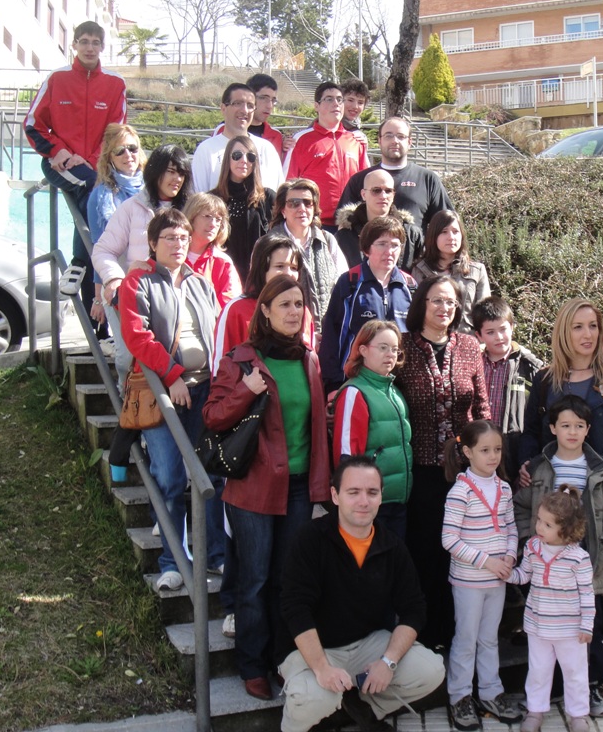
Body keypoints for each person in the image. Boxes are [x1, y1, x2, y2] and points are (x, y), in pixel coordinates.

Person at [203, 274, 331, 702]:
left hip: (298, 487)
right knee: (255, 580)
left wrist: (320, 488)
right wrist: (244, 390)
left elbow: (316, 431)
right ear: (266, 311)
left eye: (299, 304)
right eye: (285, 305)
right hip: (254, 487)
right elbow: (213, 416)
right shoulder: (242, 359)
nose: (295, 312)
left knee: (286, 580)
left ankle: (283, 658)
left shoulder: (309, 360)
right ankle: (252, 664)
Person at [519, 297, 603, 708]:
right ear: (564, 332)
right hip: (552, 510)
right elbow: (531, 436)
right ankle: (553, 676)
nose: (587, 335)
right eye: (578, 327)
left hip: (598, 502)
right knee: (552, 587)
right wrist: (526, 464)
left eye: (593, 326)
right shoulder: (546, 380)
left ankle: (598, 670)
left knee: (600, 585)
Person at [278, 457, 445, 732]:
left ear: (381, 497)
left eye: (372, 492)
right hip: (313, 647)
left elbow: (414, 608)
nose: (363, 501)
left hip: (367, 644)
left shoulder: (391, 545)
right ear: (335, 495)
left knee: (431, 670)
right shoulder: (310, 539)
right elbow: (295, 608)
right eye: (353, 492)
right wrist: (321, 668)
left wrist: (387, 663)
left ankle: (363, 706)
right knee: (312, 697)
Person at [117, 208, 224, 592]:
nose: (178, 245)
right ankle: (172, 560)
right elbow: (138, 337)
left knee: (211, 473)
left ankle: (216, 555)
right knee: (169, 476)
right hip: (163, 392)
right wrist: (173, 376)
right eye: (169, 239)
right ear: (152, 243)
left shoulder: (200, 281)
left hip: (205, 389)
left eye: (182, 238)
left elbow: (214, 330)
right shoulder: (137, 281)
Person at [514, 396, 603, 719]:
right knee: (546, 634)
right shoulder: (539, 467)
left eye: (579, 426)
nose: (572, 432)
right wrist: (528, 540)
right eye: (565, 425)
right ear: (552, 428)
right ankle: (544, 696)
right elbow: (521, 505)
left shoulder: (599, 468)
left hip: (585, 562)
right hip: (545, 568)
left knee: (586, 631)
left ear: (588, 429)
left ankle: (589, 690)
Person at [396, 274, 490, 648]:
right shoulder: (402, 347)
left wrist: (487, 460)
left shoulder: (469, 345)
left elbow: (481, 407)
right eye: (437, 300)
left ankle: (459, 637)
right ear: (422, 303)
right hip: (418, 472)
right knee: (425, 553)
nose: (444, 308)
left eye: (451, 302)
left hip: (463, 474)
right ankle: (425, 636)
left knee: (462, 554)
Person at [25, 21, 127, 322]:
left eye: (95, 42)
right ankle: (82, 262)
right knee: (94, 196)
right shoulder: (57, 79)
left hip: (95, 167)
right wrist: (59, 152)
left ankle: (81, 265)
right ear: (74, 44)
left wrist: (93, 160)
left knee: (94, 212)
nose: (89, 48)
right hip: (61, 163)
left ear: (102, 47)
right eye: (84, 41)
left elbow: (116, 132)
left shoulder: (114, 84)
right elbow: (33, 124)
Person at [441, 420, 522, 730]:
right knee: (466, 640)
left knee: (489, 640)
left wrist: (510, 556)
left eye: (497, 450)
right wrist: (488, 562)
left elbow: (511, 528)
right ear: (467, 452)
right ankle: (459, 697)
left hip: (497, 581)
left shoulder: (503, 487)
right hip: (469, 582)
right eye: (485, 450)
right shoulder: (460, 491)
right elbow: (449, 540)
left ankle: (490, 692)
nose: (493, 456)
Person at [92, 144, 194, 379]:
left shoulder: (191, 207)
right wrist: (116, 279)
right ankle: (125, 407)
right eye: (170, 170)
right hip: (134, 296)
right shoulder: (131, 207)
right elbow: (103, 250)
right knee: (129, 356)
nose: (176, 178)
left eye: (181, 172)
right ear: (155, 171)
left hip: (178, 295)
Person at [509, 488, 595, 732]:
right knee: (538, 671)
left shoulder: (578, 558)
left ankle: (578, 715)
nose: (539, 527)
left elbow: (587, 594)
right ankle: (535, 712)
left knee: (575, 673)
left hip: (570, 630)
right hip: (538, 627)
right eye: (538, 520)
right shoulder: (533, 548)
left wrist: (586, 625)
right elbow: (524, 575)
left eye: (547, 524)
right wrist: (509, 574)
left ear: (566, 529)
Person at [331, 321, 412, 539]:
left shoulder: (394, 391)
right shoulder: (354, 392)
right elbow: (346, 455)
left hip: (397, 500)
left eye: (395, 349)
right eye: (383, 347)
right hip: (370, 506)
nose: (390, 355)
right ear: (363, 350)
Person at [319, 216, 416, 394]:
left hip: (400, 385)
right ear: (366, 249)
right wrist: (332, 385)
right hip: (356, 382)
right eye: (382, 244)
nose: (389, 251)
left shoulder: (409, 285)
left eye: (395, 245)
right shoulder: (350, 282)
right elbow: (332, 337)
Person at [212, 233, 313, 370]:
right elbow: (221, 368)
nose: (288, 273)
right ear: (261, 269)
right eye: (279, 266)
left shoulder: (302, 311)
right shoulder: (236, 310)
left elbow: (310, 364)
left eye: (294, 268)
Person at [337, 116, 454, 234]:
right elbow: (344, 225)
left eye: (401, 136)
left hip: (415, 251)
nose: (395, 141)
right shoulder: (360, 180)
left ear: (409, 142)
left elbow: (446, 223)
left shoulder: (427, 179)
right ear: (379, 140)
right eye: (388, 135)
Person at [472, 296, 544, 484]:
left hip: (514, 453)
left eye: (503, 329)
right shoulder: (472, 363)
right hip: (477, 455)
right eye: (490, 332)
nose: (499, 337)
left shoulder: (531, 367)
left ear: (512, 327)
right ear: (479, 335)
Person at [283, 81, 369, 232]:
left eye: (339, 99)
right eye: (329, 99)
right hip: (314, 222)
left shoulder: (356, 141)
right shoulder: (300, 140)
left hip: (350, 223)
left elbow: (367, 181)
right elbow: (287, 184)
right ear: (317, 106)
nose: (335, 103)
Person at [88, 124, 146, 344]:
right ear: (109, 157)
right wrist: (98, 298)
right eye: (119, 150)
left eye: (132, 148)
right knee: (127, 353)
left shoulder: (153, 186)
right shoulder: (100, 196)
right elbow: (100, 249)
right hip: (119, 279)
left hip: (151, 277)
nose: (127, 155)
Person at [271, 179, 348, 328]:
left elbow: (343, 285)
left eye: (307, 203)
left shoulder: (328, 240)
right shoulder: (268, 243)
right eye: (294, 203)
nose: (302, 208)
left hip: (326, 333)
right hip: (285, 332)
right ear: (283, 210)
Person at [192, 82, 282, 193]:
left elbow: (278, 197)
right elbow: (197, 198)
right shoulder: (206, 150)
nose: (244, 110)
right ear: (223, 108)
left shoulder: (267, 149)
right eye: (238, 103)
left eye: (250, 106)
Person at [411, 210, 491, 334]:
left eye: (455, 232)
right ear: (433, 235)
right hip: (430, 340)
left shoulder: (477, 271)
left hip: (467, 339)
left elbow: (485, 313)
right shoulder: (419, 271)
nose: (451, 237)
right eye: (444, 232)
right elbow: (414, 312)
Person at [210, 135, 276, 283]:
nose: (244, 161)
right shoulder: (212, 199)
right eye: (237, 155)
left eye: (250, 156)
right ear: (227, 159)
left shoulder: (268, 197)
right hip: (221, 277)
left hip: (258, 278)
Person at [333, 168, 423, 271]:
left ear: (393, 195)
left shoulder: (412, 234)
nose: (383, 196)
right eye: (376, 190)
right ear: (363, 195)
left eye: (388, 191)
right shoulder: (344, 236)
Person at [183, 192, 241, 307]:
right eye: (207, 216)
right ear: (191, 217)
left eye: (218, 220)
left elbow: (229, 307)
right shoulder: (171, 253)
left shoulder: (223, 262)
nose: (213, 224)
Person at [246, 73, 286, 158]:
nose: (270, 106)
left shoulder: (276, 136)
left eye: (273, 100)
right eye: (264, 98)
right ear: (250, 97)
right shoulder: (226, 130)